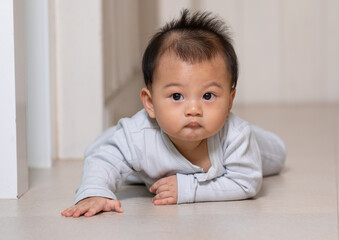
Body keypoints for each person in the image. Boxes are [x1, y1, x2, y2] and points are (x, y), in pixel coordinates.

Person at [61, 9, 286, 218]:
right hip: (144, 149)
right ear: (150, 103)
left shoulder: (236, 136)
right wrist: (95, 192)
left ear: (229, 102)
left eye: (208, 96)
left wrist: (189, 189)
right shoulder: (139, 136)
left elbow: (246, 182)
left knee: (276, 155)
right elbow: (105, 161)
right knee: (104, 152)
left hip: (253, 147)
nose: (194, 110)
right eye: (177, 96)